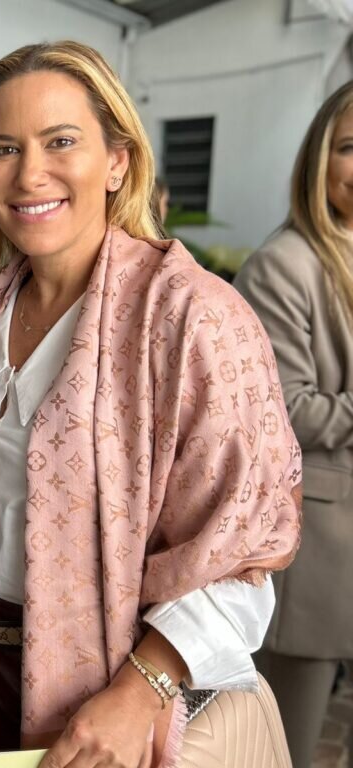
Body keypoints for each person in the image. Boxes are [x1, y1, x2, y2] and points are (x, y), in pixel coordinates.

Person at [0, 41, 303, 766]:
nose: (29, 173)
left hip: (101, 690)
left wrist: (141, 689)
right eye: (4, 148)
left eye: (60, 141)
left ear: (118, 162)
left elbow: (243, 551)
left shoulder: (191, 316)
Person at [233, 81, 353, 768]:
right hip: (319, 546)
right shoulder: (286, 265)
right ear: (318, 157)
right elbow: (286, 412)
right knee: (286, 745)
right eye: (350, 146)